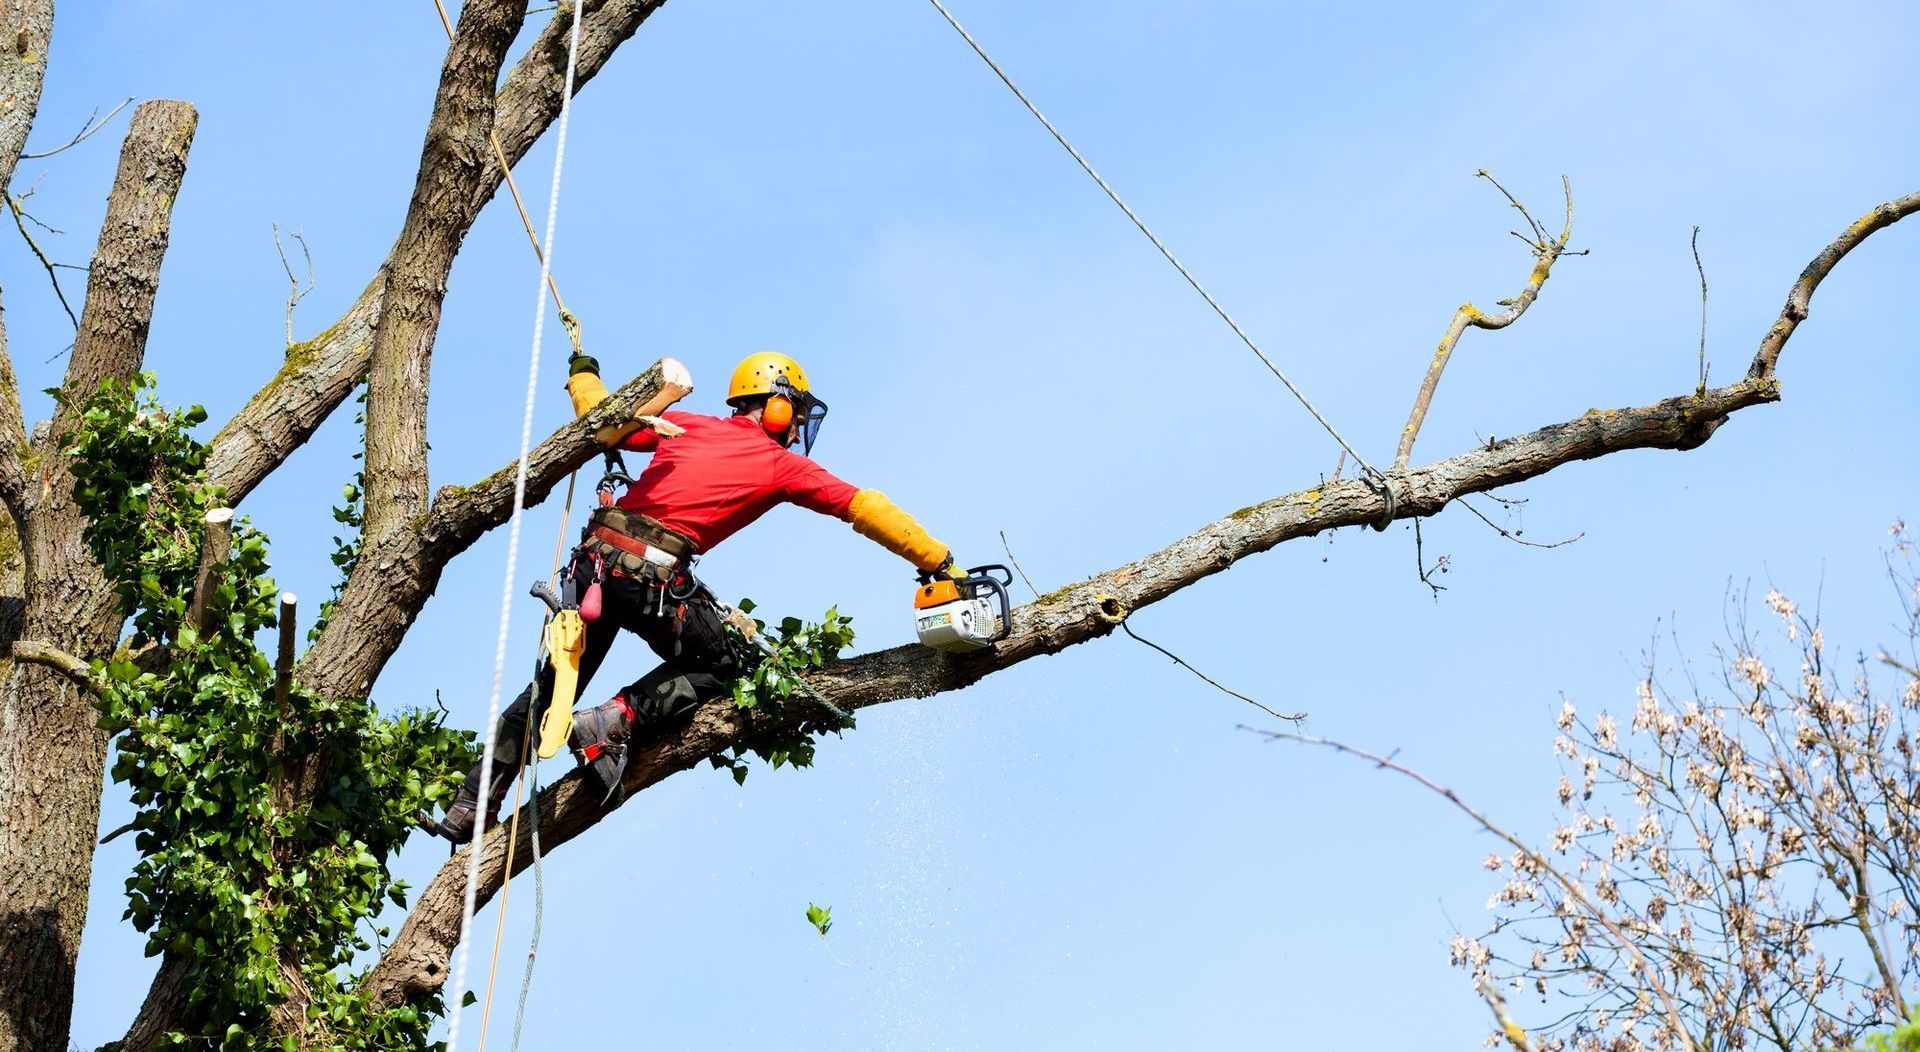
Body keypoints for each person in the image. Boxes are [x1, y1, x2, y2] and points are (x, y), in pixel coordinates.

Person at [429, 351, 965, 844]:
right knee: (725, 662)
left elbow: (601, 420)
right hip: (648, 579)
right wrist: (936, 560)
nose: (798, 427)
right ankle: (614, 720)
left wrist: (583, 372)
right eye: (796, 413)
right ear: (777, 404)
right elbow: (863, 506)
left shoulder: (686, 424)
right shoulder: (781, 465)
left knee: (551, 690)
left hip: (596, 567)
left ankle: (471, 803)